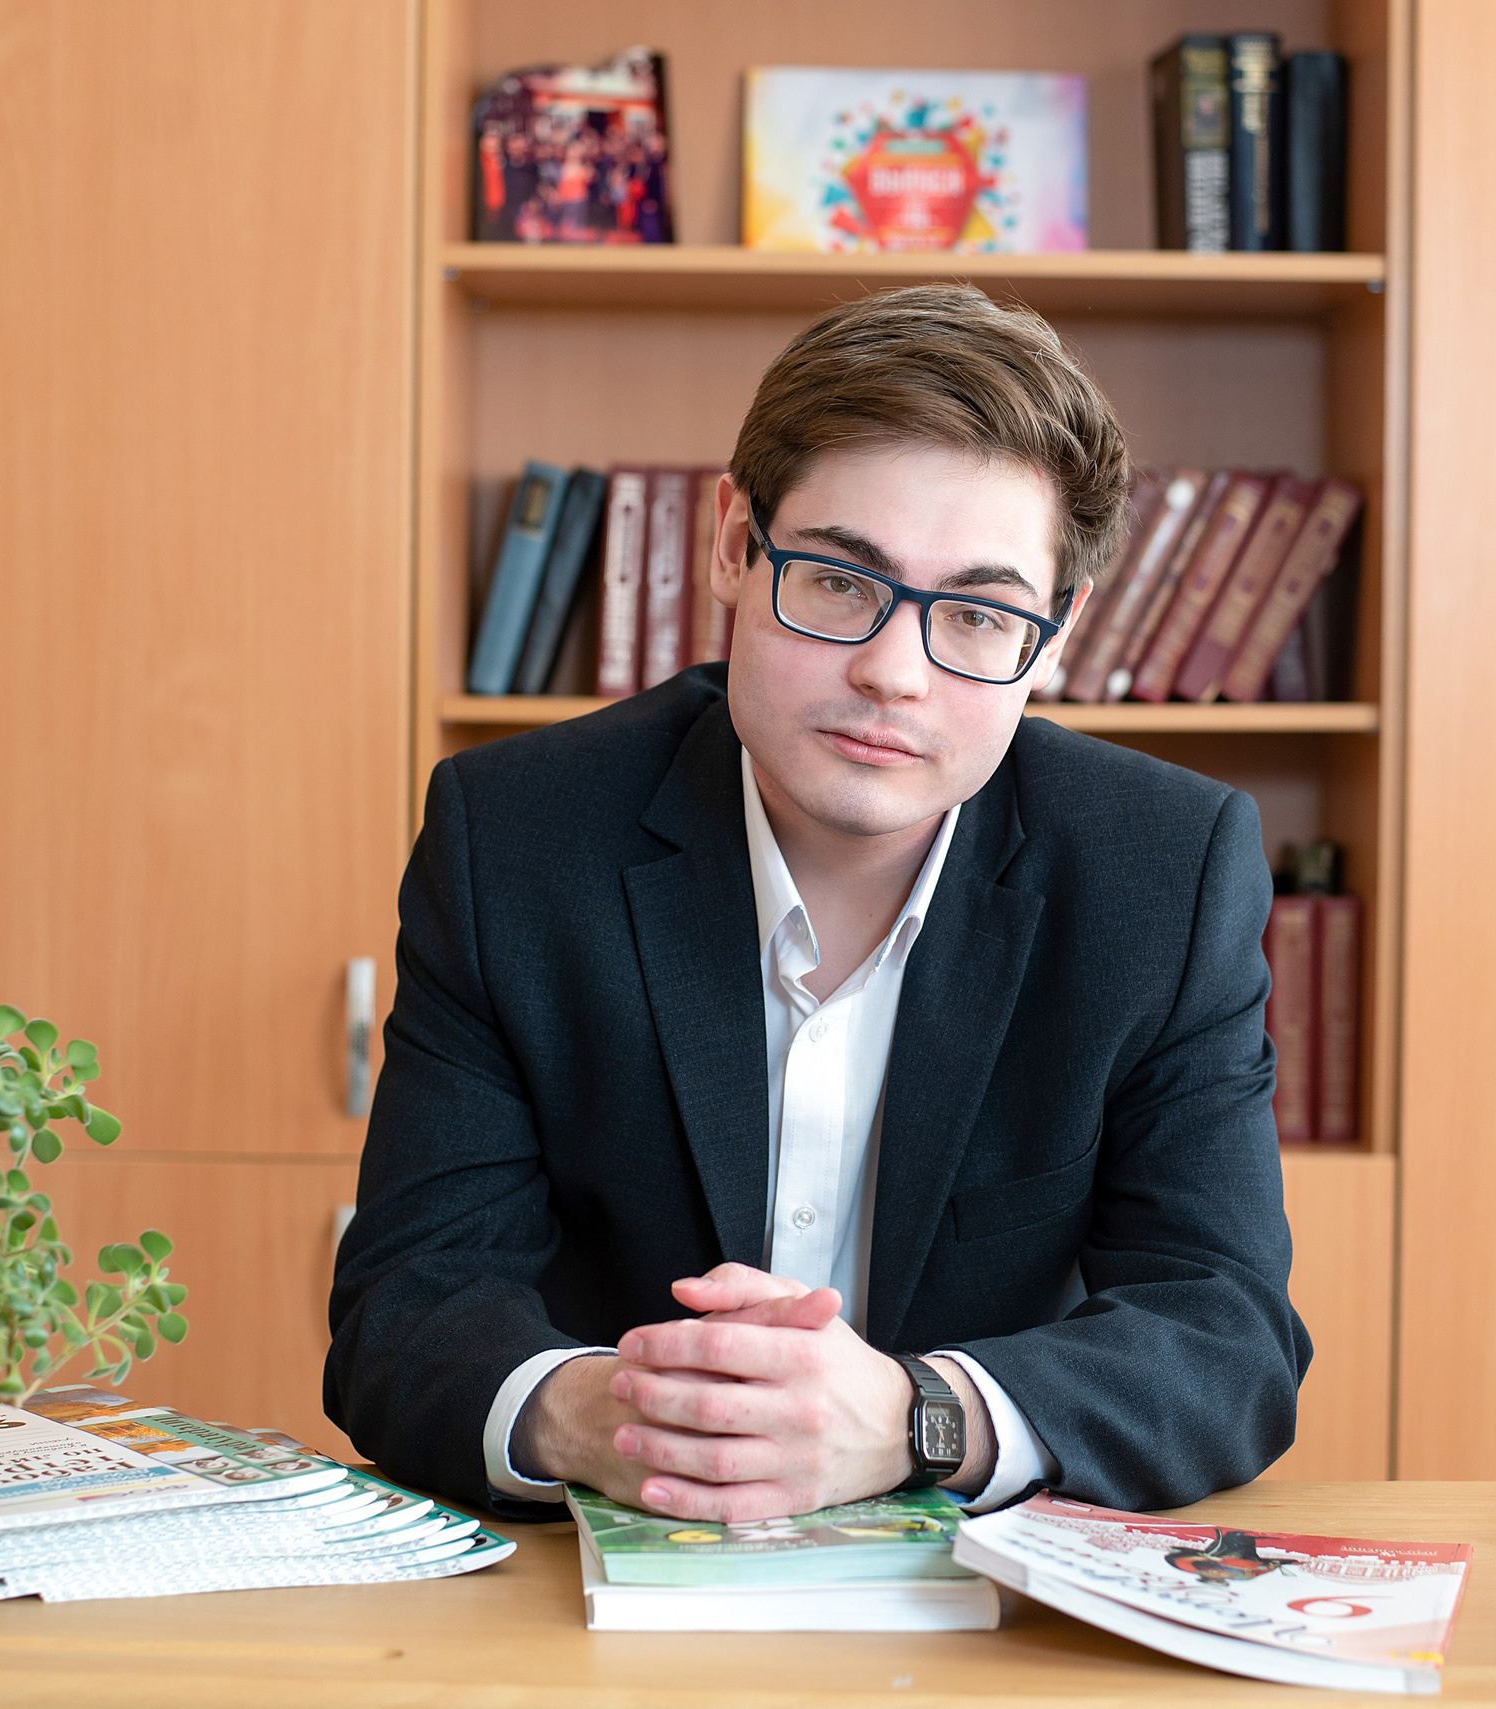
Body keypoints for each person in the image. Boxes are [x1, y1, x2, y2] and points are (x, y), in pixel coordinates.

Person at [326, 284, 1312, 1523]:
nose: (890, 671)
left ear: (1056, 634)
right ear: (733, 543)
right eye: (841, 583)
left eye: (978, 612)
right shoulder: (517, 838)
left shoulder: (1161, 871)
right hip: (598, 1592)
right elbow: (404, 1304)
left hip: (983, 1621)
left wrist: (913, 1417)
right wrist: (603, 1408)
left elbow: (1226, 1338)